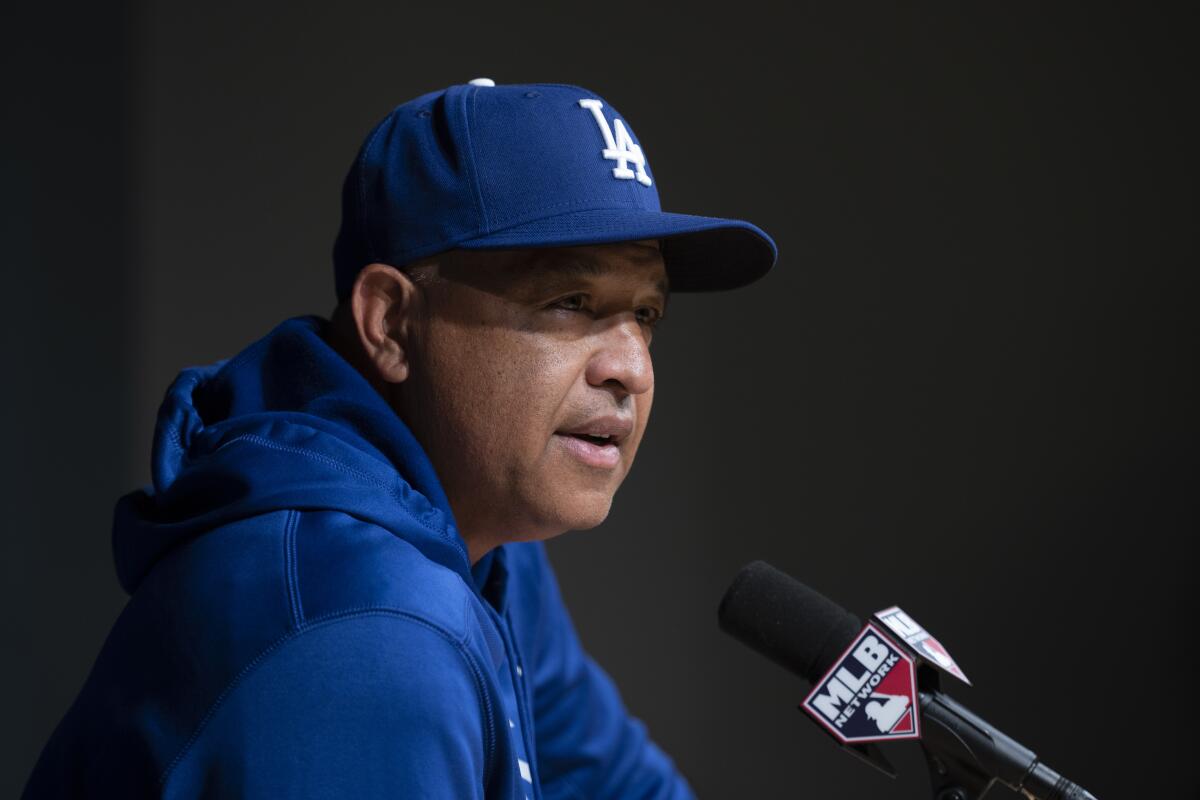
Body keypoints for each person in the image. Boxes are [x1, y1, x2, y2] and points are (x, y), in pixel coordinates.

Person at [23, 78, 777, 798]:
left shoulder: (484, 540)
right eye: (570, 302)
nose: (630, 369)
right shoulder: (360, 633)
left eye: (645, 314)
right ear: (390, 323)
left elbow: (615, 785)